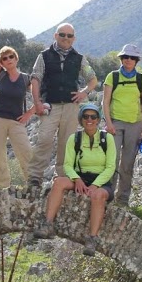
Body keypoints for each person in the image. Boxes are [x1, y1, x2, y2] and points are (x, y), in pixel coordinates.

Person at [32, 103, 116, 256]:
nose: (89, 120)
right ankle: (48, 223)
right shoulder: (74, 138)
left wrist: (96, 185)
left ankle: (92, 239)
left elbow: (110, 167)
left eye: (93, 117)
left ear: (98, 120)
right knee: (58, 182)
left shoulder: (107, 139)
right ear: (81, 119)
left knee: (98, 196)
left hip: (102, 181)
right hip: (80, 177)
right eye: (85, 116)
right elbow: (67, 165)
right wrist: (76, 179)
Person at [28, 22, 98, 191]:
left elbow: (93, 79)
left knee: (66, 143)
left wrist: (84, 92)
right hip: (49, 105)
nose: (66, 38)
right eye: (62, 35)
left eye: (69, 36)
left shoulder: (80, 58)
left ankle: (62, 177)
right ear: (55, 36)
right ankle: (35, 177)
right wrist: (36, 102)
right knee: (44, 138)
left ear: (74, 39)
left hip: (71, 106)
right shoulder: (43, 56)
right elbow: (35, 79)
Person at [0, 18, 34, 188]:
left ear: (16, 58)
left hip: (16, 121)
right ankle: (2, 188)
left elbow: (40, 97)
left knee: (26, 152)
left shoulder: (27, 78)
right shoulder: (1, 75)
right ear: (2, 63)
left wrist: (29, 113)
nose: (8, 59)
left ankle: (33, 185)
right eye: (5, 58)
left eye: (11, 56)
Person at [101, 43, 142, 206]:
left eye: (132, 58)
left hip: (135, 125)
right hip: (115, 123)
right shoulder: (112, 77)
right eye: (125, 57)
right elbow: (105, 102)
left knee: (127, 164)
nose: (128, 60)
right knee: (111, 162)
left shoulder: (141, 79)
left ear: (136, 60)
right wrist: (108, 124)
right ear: (121, 59)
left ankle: (123, 199)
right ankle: (107, 196)